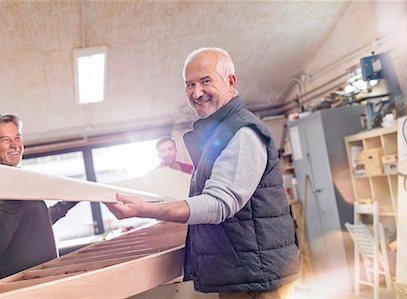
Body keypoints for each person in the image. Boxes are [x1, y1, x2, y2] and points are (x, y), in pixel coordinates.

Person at [106, 47, 299, 298]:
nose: (196, 92)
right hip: (242, 274)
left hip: (256, 280)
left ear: (230, 81)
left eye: (206, 81)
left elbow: (217, 204)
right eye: (190, 84)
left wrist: (144, 209)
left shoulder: (243, 133)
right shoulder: (218, 134)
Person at [0, 114, 77, 285]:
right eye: (5, 139)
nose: (14, 145)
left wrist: (68, 202)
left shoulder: (19, 180)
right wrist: (12, 194)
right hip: (13, 287)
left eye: (17, 137)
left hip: (43, 279)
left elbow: (35, 221)